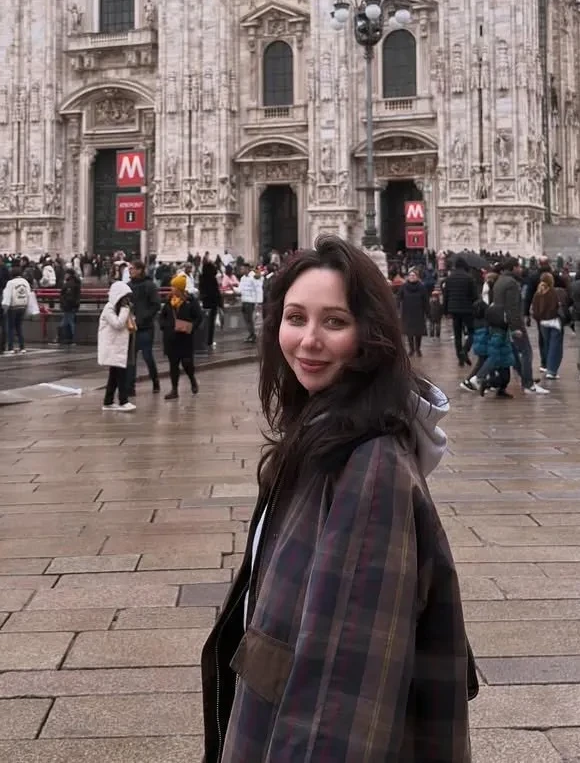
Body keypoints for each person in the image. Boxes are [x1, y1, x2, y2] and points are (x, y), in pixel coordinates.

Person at [201, 237, 474, 760]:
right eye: (295, 318)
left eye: (334, 322)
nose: (308, 340)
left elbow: (346, 681)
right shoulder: (322, 433)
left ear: (369, 334)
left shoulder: (368, 465)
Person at [492, 258, 549, 395]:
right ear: (513, 268)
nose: (521, 269)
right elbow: (512, 308)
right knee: (526, 351)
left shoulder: (499, 281)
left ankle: (525, 378)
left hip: (502, 321)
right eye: (518, 267)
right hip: (513, 323)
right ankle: (528, 384)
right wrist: (517, 327)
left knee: (515, 354)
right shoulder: (512, 283)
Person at [159, 272, 200, 400]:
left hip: (185, 338)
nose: (172, 289)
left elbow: (198, 318)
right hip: (171, 338)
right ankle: (174, 390)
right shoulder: (169, 302)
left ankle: (192, 379)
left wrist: (189, 327)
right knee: (173, 365)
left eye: (174, 287)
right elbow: (162, 317)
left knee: (187, 363)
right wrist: (166, 326)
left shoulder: (190, 302)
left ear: (180, 288)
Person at [98, 279, 137, 412]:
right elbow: (118, 324)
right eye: (125, 297)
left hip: (118, 347)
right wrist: (125, 310)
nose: (127, 300)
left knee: (114, 376)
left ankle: (108, 401)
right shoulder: (109, 308)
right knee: (121, 375)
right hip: (113, 347)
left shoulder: (120, 308)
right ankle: (123, 400)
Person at [127, 259, 162, 393]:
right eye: (130, 268)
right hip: (132, 327)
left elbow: (156, 305)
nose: (130, 270)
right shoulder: (128, 286)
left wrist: (144, 317)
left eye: (133, 268)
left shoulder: (149, 285)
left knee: (147, 356)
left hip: (146, 327)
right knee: (131, 358)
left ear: (140, 270)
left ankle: (155, 381)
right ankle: (130, 387)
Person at [442, 255, 479, 366]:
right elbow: (475, 296)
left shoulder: (449, 278)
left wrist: (445, 311)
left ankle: (460, 359)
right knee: (472, 332)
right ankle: (465, 350)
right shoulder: (469, 278)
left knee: (457, 334)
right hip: (467, 309)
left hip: (454, 309)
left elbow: (446, 295)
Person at [530, 270, 565, 379]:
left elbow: (534, 309)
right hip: (554, 322)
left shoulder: (537, 293)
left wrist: (539, 318)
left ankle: (547, 366)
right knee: (555, 346)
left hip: (543, 323)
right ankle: (552, 370)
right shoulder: (554, 292)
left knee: (547, 345)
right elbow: (556, 307)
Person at [0, 264, 31, 354]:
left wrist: (5, 307)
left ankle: (11, 348)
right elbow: (29, 294)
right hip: (23, 306)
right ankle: (22, 347)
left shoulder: (11, 283)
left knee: (11, 328)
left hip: (13, 307)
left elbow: (7, 295)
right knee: (19, 327)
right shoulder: (25, 282)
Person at [399, 267, 429, 357]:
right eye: (410, 275)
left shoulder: (422, 287)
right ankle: (411, 349)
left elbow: (425, 300)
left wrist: (428, 312)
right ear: (408, 277)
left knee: (418, 332)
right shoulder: (404, 287)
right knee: (409, 332)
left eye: (414, 275)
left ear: (417, 277)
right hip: (407, 312)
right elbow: (399, 297)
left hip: (418, 312)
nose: (412, 277)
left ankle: (418, 349)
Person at [238, 263, 263, 343]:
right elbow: (240, 289)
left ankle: (254, 335)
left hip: (251, 302)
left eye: (243, 269)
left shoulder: (253, 277)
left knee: (251, 320)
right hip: (244, 301)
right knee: (246, 319)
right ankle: (251, 334)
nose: (241, 270)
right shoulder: (242, 278)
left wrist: (258, 302)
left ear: (247, 269)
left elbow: (258, 290)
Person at [58, 268, 81, 346]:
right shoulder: (75, 282)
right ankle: (63, 338)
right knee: (67, 322)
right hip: (72, 306)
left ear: (69, 274)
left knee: (68, 322)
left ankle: (66, 338)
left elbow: (68, 296)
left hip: (69, 306)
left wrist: (64, 304)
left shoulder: (69, 284)